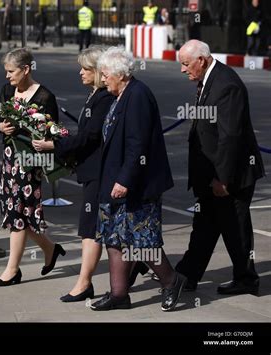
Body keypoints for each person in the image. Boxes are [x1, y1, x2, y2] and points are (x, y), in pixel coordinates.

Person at [90, 46, 186, 312]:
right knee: (113, 237)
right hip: (115, 182)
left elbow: (138, 145)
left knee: (142, 240)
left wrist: (125, 180)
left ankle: (171, 280)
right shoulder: (120, 95)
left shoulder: (138, 95)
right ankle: (119, 293)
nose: (103, 78)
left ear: (120, 74)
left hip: (136, 184)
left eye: (106, 74)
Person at [175, 40, 265, 295]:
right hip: (211, 174)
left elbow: (231, 137)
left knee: (235, 229)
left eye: (185, 64)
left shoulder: (227, 85)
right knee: (205, 225)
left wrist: (223, 179)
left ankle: (246, 278)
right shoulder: (208, 79)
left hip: (231, 174)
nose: (183, 70)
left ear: (201, 60)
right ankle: (187, 275)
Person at [32, 46, 114, 302]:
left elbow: (90, 138)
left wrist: (54, 145)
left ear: (99, 72)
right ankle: (133, 267)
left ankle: (84, 283)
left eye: (85, 68)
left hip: (99, 172)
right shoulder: (96, 95)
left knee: (91, 228)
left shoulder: (103, 98)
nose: (80, 73)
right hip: (92, 170)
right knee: (100, 228)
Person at [0, 48, 66, 286]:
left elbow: (55, 131)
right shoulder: (7, 90)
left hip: (30, 161)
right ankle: (50, 248)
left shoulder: (45, 97)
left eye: (11, 71)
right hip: (9, 157)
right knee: (16, 211)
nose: (7, 76)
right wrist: (1, 126)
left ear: (26, 70)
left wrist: (45, 140)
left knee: (18, 213)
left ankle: (12, 270)